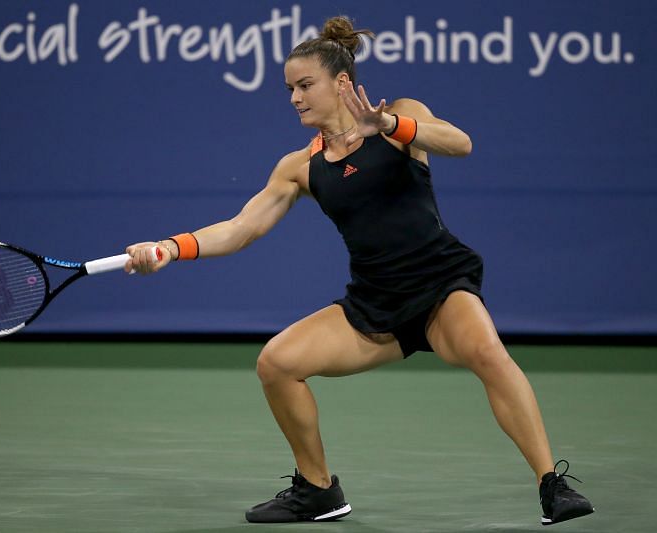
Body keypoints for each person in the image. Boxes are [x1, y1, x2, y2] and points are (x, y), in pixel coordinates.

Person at [125, 15, 594, 527]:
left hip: (441, 287)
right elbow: (241, 229)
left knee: (488, 353)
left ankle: (552, 484)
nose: (295, 98)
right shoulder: (300, 166)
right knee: (276, 364)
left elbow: (460, 143)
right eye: (290, 88)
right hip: (374, 305)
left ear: (341, 83)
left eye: (306, 85)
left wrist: (388, 125)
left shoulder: (401, 118)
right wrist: (170, 247)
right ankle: (318, 489)